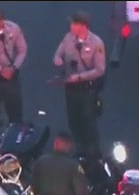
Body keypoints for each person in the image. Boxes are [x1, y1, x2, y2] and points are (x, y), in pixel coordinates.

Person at [53, 11, 107, 159]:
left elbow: (100, 69)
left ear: (83, 26)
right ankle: (80, 148)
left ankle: (93, 153)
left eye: (74, 24)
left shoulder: (96, 43)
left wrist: (80, 77)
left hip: (87, 89)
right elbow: (58, 54)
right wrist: (58, 59)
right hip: (71, 88)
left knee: (88, 121)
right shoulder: (68, 38)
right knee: (73, 120)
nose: (71, 26)